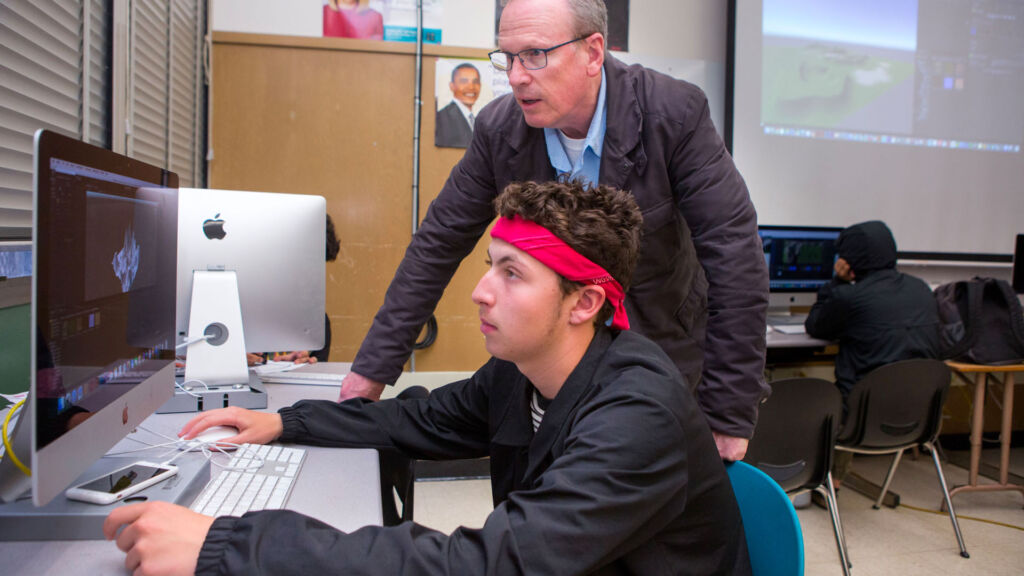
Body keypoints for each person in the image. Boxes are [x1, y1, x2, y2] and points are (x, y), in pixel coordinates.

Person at [103, 180, 751, 576]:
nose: (479, 292)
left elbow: (496, 563)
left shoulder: (638, 417)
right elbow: (420, 417)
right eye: (490, 265)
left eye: (512, 274)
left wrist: (228, 548)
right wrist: (284, 421)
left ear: (583, 304)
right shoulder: (519, 373)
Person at [341, 0, 769, 461]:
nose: (517, 76)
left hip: (661, 342)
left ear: (593, 51)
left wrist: (728, 412)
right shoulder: (499, 129)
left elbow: (735, 257)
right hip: (550, 359)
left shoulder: (673, 113)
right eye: (507, 57)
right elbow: (436, 245)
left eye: (535, 54)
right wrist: (370, 373)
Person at [804, 220, 942, 404]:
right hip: (918, 416)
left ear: (848, 260)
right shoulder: (921, 289)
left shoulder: (850, 298)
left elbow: (815, 325)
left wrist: (838, 281)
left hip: (860, 415)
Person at [246, 213, 341, 366]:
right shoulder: (236, 314)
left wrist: (305, 366)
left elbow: (313, 377)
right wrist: (231, 359)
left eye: (313, 266)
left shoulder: (316, 323)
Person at [435, 63, 481, 148]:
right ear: (452, 86)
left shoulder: (478, 119)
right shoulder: (442, 118)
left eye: (475, 82)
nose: (471, 87)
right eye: (464, 81)